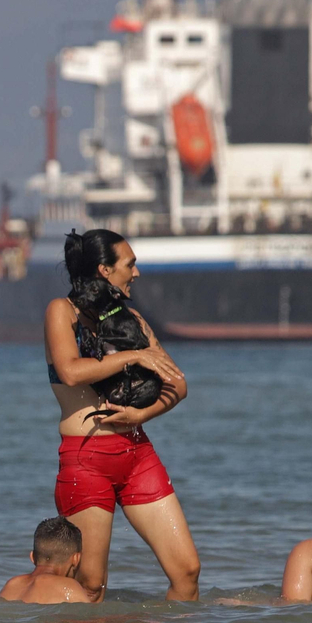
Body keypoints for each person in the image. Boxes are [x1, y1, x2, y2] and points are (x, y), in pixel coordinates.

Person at [45, 229, 196, 602]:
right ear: (104, 270)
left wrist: (138, 413)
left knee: (187, 572)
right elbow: (70, 371)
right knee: (91, 585)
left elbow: (178, 385)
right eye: (130, 264)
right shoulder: (61, 312)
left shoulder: (132, 319)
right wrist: (133, 356)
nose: (137, 272)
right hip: (86, 459)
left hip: (136, 454)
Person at [0, 517, 94, 604]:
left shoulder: (12, 585)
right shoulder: (69, 588)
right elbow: (89, 620)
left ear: (32, 557)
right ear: (76, 559)